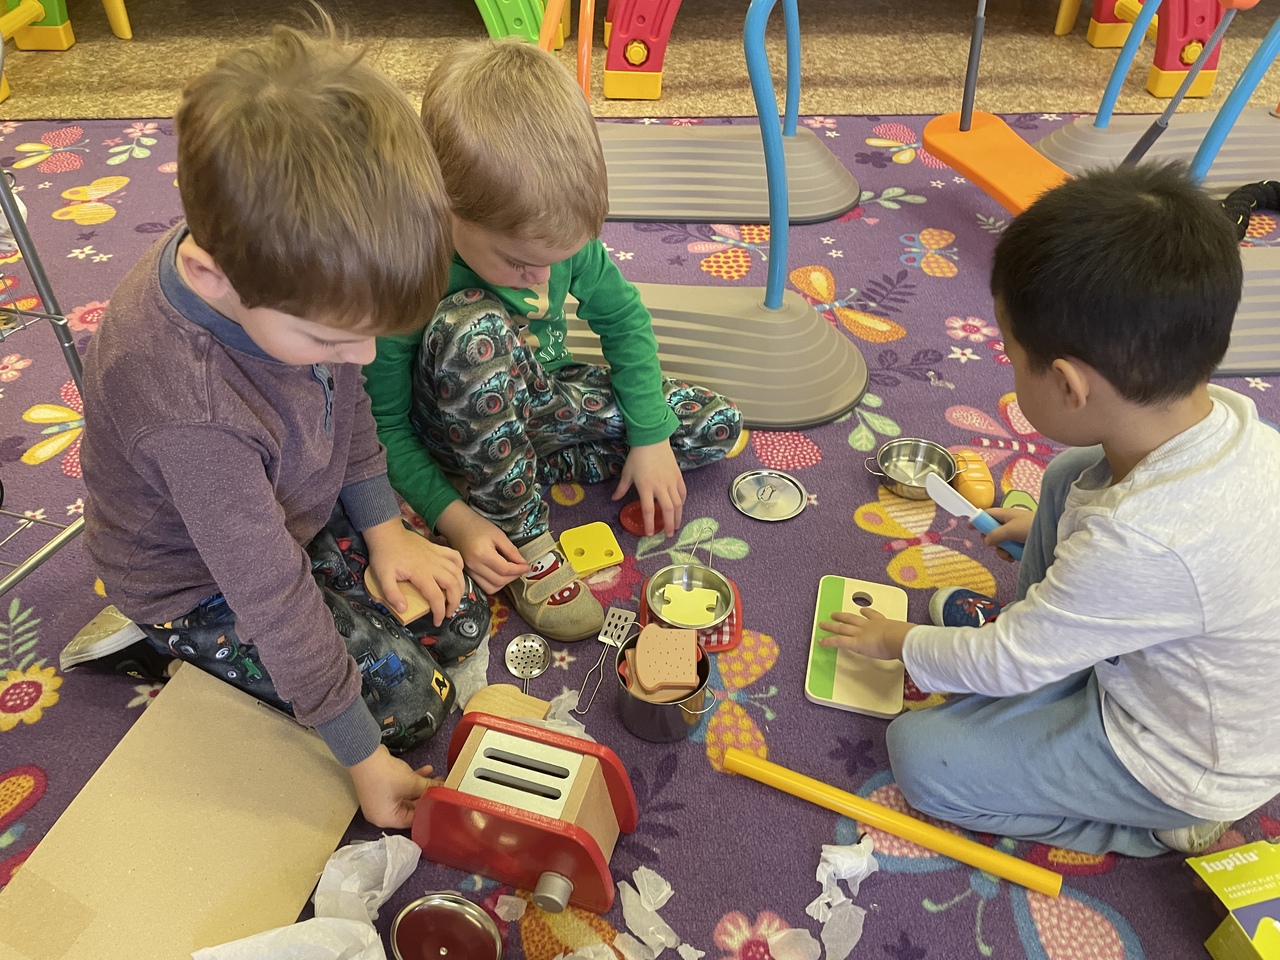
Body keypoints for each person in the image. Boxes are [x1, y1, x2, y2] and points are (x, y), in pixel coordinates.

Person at [72, 19, 487, 829]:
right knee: (412, 705)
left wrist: (386, 533)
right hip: (200, 582)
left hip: (285, 509)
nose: (360, 358)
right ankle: (159, 641)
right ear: (210, 276)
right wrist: (361, 757)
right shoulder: (189, 407)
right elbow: (265, 588)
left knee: (455, 614)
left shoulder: (290, 276)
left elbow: (346, 401)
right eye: (331, 341)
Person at [819, 162, 1280, 857]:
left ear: (1068, 384)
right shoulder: (1233, 422)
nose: (1007, 369)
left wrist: (898, 642)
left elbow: (1015, 657)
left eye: (1011, 355)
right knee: (1067, 477)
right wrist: (1052, 534)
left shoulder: (1138, 540)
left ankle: (1151, 828)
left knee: (922, 757)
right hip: (1172, 663)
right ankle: (1053, 642)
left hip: (1178, 758)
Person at [364, 39, 743, 643]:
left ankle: (517, 471)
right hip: (450, 430)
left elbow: (624, 321)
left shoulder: (552, 238)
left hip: (540, 399)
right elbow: (381, 425)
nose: (540, 281)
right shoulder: (407, 271)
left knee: (712, 423)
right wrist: (454, 518)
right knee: (473, 328)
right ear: (443, 203)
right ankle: (518, 525)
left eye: (557, 260)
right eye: (518, 263)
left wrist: (650, 437)